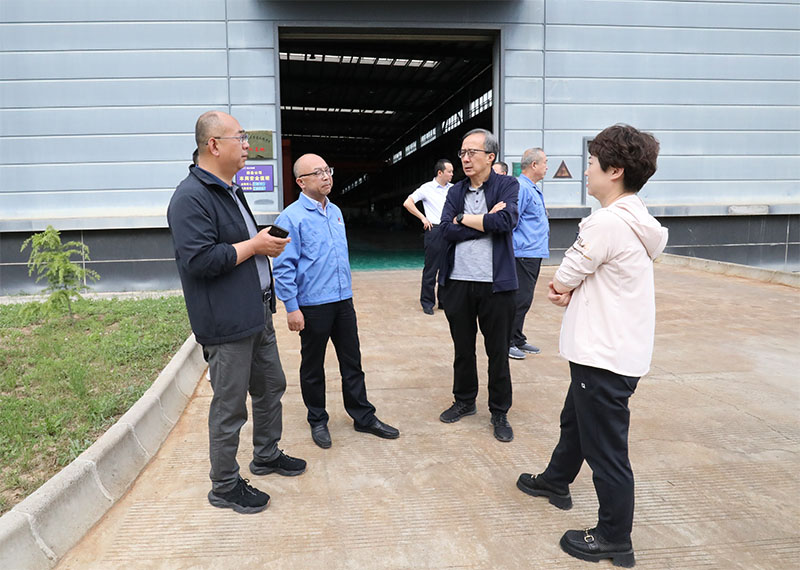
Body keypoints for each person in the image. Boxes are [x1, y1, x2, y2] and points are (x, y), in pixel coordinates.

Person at [516, 124, 667, 567]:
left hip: (603, 355)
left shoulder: (606, 222)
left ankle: (614, 537)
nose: (585, 171)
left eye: (592, 163)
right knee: (576, 422)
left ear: (614, 171)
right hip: (615, 351)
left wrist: (562, 288)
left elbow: (568, 273)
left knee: (606, 450)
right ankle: (555, 479)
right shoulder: (638, 220)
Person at [167, 110, 306, 515]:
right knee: (230, 407)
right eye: (240, 138)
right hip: (226, 322)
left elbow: (237, 244)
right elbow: (200, 260)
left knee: (271, 386)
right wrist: (255, 246)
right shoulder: (190, 198)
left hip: (256, 312)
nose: (248, 146)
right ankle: (225, 485)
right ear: (213, 145)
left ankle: (266, 454)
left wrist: (260, 244)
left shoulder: (229, 189)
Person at [273, 153, 400, 449]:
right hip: (313, 305)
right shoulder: (290, 218)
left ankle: (363, 416)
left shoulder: (336, 211)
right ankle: (318, 420)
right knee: (313, 366)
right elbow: (283, 267)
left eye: (327, 170)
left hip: (343, 301)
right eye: (317, 173)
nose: (326, 176)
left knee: (352, 362)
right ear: (301, 182)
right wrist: (292, 308)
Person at [437, 128, 519, 442]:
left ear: (490, 156)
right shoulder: (456, 191)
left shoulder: (507, 185)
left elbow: (505, 222)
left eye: (472, 152)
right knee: (463, 348)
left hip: (495, 285)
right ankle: (464, 400)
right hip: (458, 282)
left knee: (497, 351)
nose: (466, 159)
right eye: (462, 153)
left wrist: (463, 219)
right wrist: (483, 221)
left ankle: (499, 411)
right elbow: (445, 230)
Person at [508, 148, 549, 360]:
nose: (547, 167)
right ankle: (507, 341)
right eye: (545, 162)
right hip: (523, 253)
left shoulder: (532, 188)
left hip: (533, 252)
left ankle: (517, 337)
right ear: (534, 165)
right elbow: (512, 221)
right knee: (519, 298)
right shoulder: (521, 188)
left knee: (525, 298)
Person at [402, 159, 454, 314]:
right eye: (449, 171)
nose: (452, 174)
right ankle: (427, 303)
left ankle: (444, 301)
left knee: (447, 268)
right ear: (440, 172)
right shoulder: (427, 188)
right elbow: (408, 203)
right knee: (431, 268)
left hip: (450, 229)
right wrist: (423, 218)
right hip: (435, 230)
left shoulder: (453, 189)